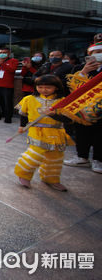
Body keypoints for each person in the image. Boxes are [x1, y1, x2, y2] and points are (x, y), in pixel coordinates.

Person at [14, 75, 73, 191]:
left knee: (55, 157)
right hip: (37, 131)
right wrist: (22, 126)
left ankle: (51, 179)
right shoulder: (29, 99)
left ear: (56, 88)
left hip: (57, 132)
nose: (43, 90)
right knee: (35, 154)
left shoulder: (62, 101)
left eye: (48, 87)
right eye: (40, 87)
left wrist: (54, 115)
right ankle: (24, 175)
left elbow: (69, 119)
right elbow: (23, 115)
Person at [63, 41, 102, 173]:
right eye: (97, 52)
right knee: (81, 132)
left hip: (100, 108)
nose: (99, 55)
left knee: (99, 134)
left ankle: (98, 159)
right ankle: (82, 157)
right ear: (89, 55)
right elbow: (71, 85)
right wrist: (84, 72)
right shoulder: (80, 68)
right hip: (82, 108)